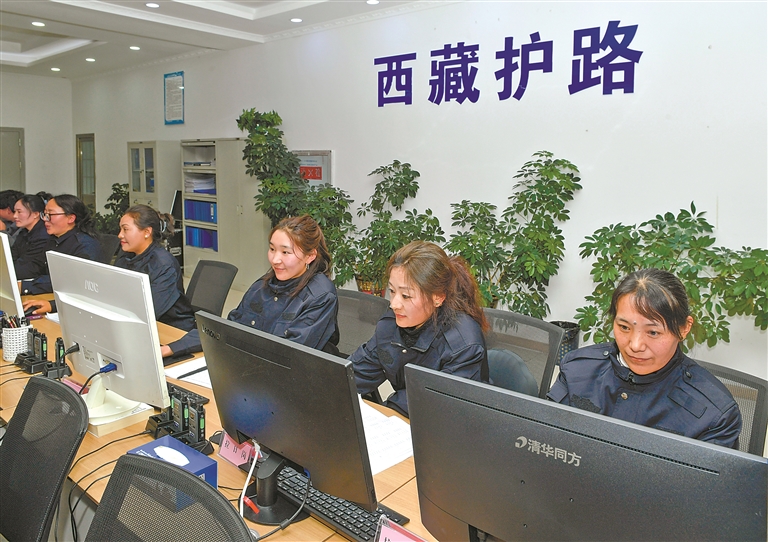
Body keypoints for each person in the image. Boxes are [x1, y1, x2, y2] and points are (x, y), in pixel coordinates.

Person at [547, 268, 742, 449]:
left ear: (684, 328)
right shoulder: (577, 370)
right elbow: (546, 441)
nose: (635, 345)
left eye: (653, 332)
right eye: (624, 327)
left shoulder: (715, 414)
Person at [160, 214, 340, 358]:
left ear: (310, 256)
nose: (275, 260)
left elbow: (290, 355)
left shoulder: (321, 295)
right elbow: (229, 328)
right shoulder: (263, 285)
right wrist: (172, 348)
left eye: (286, 252)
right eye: (272, 249)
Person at [350, 241, 489, 417]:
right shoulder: (390, 325)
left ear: (438, 297)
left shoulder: (464, 344)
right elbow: (355, 374)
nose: (394, 304)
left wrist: (388, 410)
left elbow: (433, 404)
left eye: (406, 295)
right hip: (408, 419)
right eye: (392, 291)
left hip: (451, 423)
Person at [24, 204, 197, 332]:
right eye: (120, 229)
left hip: (170, 331)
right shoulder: (126, 255)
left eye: (125, 229)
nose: (119, 235)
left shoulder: (163, 264)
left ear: (147, 232)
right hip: (136, 327)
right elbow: (105, 292)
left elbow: (148, 312)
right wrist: (53, 305)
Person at [19, 194, 102, 295]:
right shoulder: (54, 239)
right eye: (44, 214)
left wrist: (25, 287)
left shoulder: (85, 244)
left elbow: (70, 280)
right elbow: (38, 266)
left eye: (50, 214)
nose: (45, 219)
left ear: (71, 218)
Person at [10, 193, 50, 279]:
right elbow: (11, 256)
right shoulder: (23, 231)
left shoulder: (43, 236)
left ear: (36, 214)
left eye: (19, 212)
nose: (15, 216)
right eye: (14, 211)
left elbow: (26, 266)